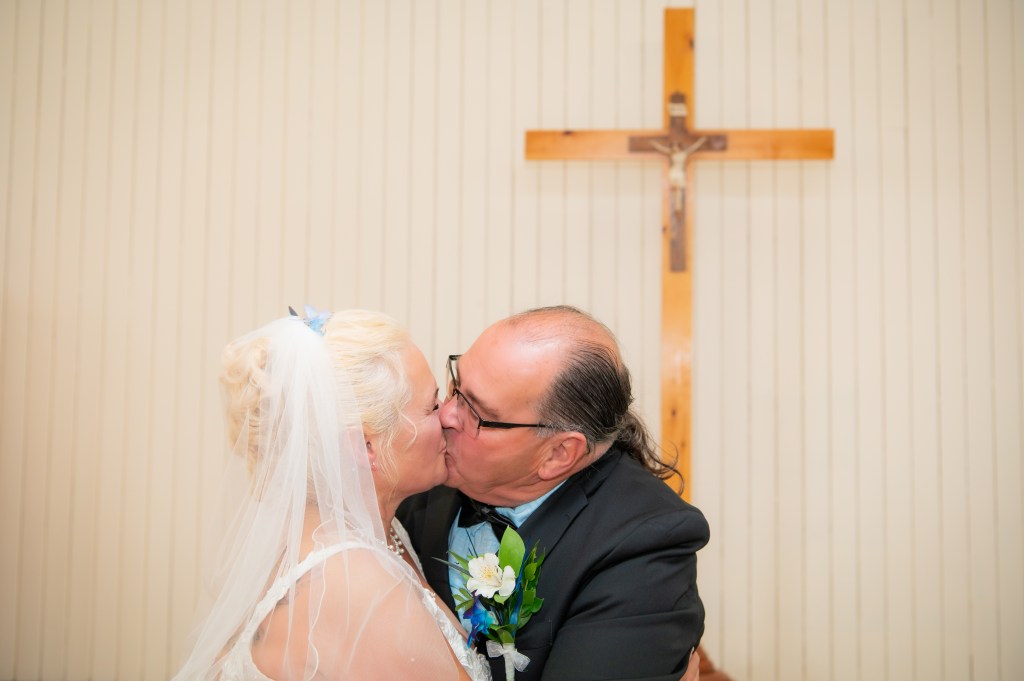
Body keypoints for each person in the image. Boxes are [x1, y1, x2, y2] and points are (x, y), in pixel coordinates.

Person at [173, 308, 492, 680]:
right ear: (364, 447)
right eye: (431, 405)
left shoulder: (372, 533)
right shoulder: (357, 584)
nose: (447, 417)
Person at [398, 305, 710, 681]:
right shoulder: (416, 470)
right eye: (455, 387)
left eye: (474, 412)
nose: (445, 415)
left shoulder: (644, 543)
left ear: (559, 454)